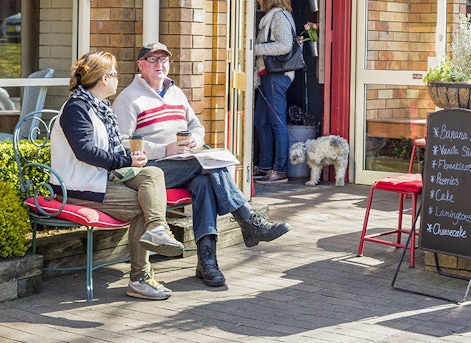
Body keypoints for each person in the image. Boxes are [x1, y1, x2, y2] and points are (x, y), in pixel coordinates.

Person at [113, 42, 293, 288]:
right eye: (153, 60)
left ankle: (207, 262)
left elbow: (197, 127)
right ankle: (248, 221)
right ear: (140, 65)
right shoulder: (129, 98)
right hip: (151, 170)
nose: (160, 65)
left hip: (185, 164)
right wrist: (163, 149)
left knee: (204, 180)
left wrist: (196, 140)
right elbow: (122, 143)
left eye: (164, 60)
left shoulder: (175, 93)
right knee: (209, 166)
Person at [51, 51, 185, 301]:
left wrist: (135, 158)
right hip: (79, 185)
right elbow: (85, 152)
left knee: (152, 173)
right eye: (114, 74)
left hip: (103, 177)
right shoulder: (76, 108)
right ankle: (140, 278)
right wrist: (126, 160)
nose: (117, 79)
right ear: (103, 79)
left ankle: (157, 228)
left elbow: (109, 148)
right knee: (142, 207)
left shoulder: (100, 107)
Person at [252, 0, 299, 183]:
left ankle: (280, 169)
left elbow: (285, 45)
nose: (258, 0)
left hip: (277, 76)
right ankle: (264, 166)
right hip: (267, 76)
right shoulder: (272, 18)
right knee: (261, 122)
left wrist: (256, 49)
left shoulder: (279, 16)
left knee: (277, 122)